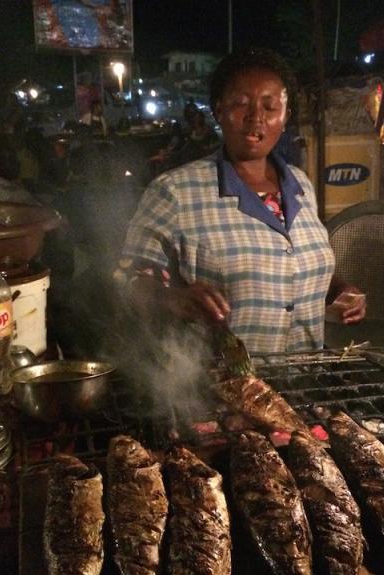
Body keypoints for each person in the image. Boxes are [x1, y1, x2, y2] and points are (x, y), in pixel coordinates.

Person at [119, 48, 366, 354]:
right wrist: (171, 298)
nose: (256, 117)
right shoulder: (174, 191)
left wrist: (339, 289)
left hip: (304, 384)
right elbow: (128, 279)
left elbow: (291, 266)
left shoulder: (302, 185)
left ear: (285, 116)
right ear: (218, 111)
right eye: (241, 104)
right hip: (218, 388)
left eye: (269, 106)